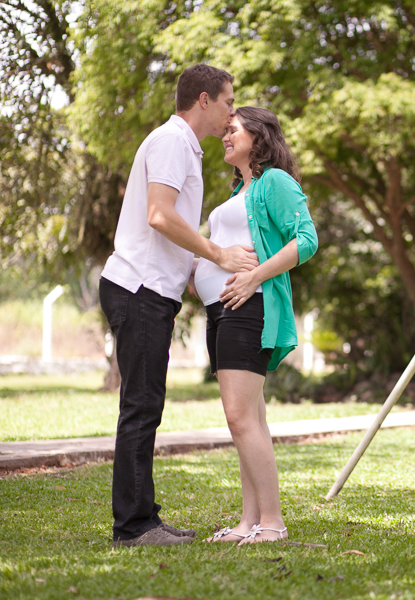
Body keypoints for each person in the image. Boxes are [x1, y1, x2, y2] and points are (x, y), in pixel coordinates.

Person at [99, 64, 259, 548]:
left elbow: (165, 225)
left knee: (147, 404)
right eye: (230, 102)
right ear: (205, 100)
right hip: (139, 289)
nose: (233, 113)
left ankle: (145, 516)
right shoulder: (172, 142)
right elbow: (158, 215)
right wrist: (216, 253)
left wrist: (192, 271)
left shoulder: (183, 148)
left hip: (154, 290)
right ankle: (133, 527)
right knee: (141, 407)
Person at [195, 106, 318, 545]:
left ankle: (273, 523)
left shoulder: (274, 183)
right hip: (221, 310)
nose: (225, 136)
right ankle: (250, 523)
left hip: (251, 307)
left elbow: (306, 240)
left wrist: (253, 275)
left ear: (258, 136)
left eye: (233, 130)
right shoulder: (238, 192)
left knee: (240, 417)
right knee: (247, 419)